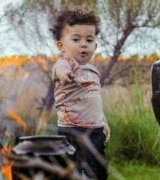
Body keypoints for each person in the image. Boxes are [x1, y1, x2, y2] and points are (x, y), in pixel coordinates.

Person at [50, 8, 110, 180]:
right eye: (76, 39)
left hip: (95, 132)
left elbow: (94, 100)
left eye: (89, 40)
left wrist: (102, 121)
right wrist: (65, 75)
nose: (84, 44)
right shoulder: (64, 64)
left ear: (95, 46)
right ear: (61, 45)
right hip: (71, 131)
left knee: (97, 171)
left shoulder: (93, 71)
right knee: (69, 172)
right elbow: (61, 70)